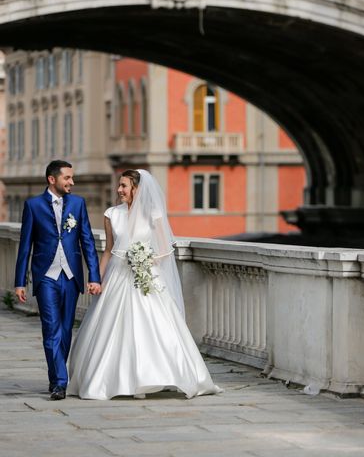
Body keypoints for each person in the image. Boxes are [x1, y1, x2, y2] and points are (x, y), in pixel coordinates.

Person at [67, 169, 222, 400]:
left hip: (145, 277)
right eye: (119, 186)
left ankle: (161, 376)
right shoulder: (111, 214)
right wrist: (96, 279)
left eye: (124, 186)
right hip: (117, 277)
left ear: (136, 189)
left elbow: (165, 250)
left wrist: (144, 259)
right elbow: (109, 251)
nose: (119, 190)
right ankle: (111, 381)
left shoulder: (153, 214)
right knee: (110, 328)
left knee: (155, 327)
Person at [14, 160, 102, 401]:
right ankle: (60, 383)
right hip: (46, 277)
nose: (72, 182)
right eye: (67, 178)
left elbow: (88, 243)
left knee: (65, 330)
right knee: (51, 329)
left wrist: (94, 277)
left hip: (71, 276)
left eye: (72, 178)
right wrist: (20, 281)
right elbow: (25, 247)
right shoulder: (33, 205)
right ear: (52, 179)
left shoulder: (78, 203)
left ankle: (56, 378)